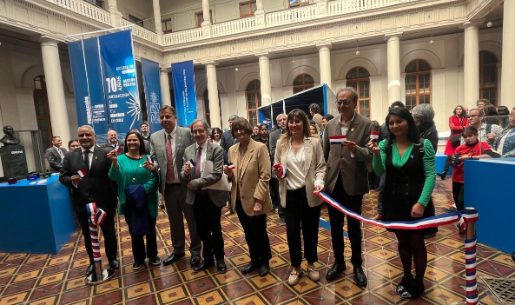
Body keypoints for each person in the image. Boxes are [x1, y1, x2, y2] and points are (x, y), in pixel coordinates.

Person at [369, 107, 437, 300]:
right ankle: (406, 276)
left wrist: (422, 203)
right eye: (391, 122)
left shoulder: (423, 145)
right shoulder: (385, 145)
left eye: (399, 121)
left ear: (409, 121)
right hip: (395, 202)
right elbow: (380, 171)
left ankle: (419, 282)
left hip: (417, 201)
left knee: (417, 242)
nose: (395, 125)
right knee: (402, 242)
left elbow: (430, 175)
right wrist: (375, 154)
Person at [323, 87, 373, 285]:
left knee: (353, 226)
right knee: (335, 226)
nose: (342, 105)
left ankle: (357, 264)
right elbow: (325, 154)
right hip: (334, 183)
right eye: (339, 102)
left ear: (355, 103)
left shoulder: (366, 124)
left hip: (354, 183)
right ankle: (339, 262)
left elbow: (371, 154)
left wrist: (357, 149)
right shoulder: (331, 125)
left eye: (346, 102)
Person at [273, 109, 326, 286]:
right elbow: (277, 168)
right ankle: (296, 266)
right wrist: (279, 172)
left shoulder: (314, 143)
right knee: (293, 232)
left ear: (304, 122)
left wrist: (319, 181)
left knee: (311, 231)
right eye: (291, 121)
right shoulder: (281, 144)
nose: (293, 124)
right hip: (290, 194)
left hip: (309, 193)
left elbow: (321, 167)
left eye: (297, 121)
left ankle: (311, 263)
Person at [59, 125, 119, 276]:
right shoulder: (70, 156)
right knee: (87, 234)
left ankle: (112, 258)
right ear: (78, 138)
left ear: (95, 137)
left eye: (88, 135)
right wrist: (71, 180)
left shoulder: (105, 153)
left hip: (105, 202)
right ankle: (93, 262)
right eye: (81, 136)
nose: (84, 138)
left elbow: (113, 177)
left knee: (109, 232)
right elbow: (62, 176)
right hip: (82, 202)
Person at [149, 105, 201, 267]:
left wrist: (190, 166)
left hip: (186, 186)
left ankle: (195, 251)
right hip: (168, 188)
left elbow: (196, 152)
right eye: (162, 117)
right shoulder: (154, 137)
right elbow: (153, 157)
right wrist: (154, 166)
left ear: (174, 117)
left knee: (192, 220)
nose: (164, 120)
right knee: (174, 221)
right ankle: (178, 250)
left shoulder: (186, 133)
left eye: (167, 117)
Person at [224, 117, 273, 277]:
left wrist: (259, 201)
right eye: (236, 130)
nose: (239, 132)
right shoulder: (232, 150)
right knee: (248, 232)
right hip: (238, 199)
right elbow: (233, 177)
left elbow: (265, 176)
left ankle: (264, 261)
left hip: (255, 199)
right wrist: (229, 175)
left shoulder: (260, 148)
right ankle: (254, 259)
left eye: (241, 129)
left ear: (248, 129)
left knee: (259, 232)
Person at [181, 119, 229, 273]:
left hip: (212, 196)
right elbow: (183, 173)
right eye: (195, 131)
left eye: (201, 131)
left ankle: (220, 259)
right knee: (201, 229)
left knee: (215, 229)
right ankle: (208, 259)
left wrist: (195, 183)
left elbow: (216, 174)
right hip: (196, 197)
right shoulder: (188, 151)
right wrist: (186, 173)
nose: (198, 134)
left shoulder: (216, 150)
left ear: (207, 132)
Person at [108, 131, 160, 269]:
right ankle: (138, 258)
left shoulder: (149, 158)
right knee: (134, 230)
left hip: (148, 200)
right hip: (130, 202)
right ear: (125, 143)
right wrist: (113, 161)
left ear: (140, 142)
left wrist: (141, 191)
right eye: (129, 140)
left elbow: (155, 179)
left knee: (150, 229)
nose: (132, 142)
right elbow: (115, 177)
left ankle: (153, 255)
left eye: (134, 140)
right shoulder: (119, 159)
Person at [451, 127, 495, 218]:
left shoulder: (482, 145)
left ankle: (468, 222)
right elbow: (453, 163)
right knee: (457, 202)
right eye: (465, 137)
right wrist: (453, 160)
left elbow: (489, 156)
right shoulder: (459, 148)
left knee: (462, 201)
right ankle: (462, 221)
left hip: (470, 179)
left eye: (470, 136)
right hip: (457, 178)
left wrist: (469, 157)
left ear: (476, 135)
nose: (468, 138)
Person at [374, 101, 405, 220]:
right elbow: (381, 142)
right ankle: (381, 210)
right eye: (392, 122)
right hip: (387, 161)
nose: (395, 126)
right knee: (383, 185)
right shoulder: (383, 127)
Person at [438, 105, 469, 180]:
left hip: (461, 139)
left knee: (459, 156)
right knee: (449, 156)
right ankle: (444, 172)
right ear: (455, 110)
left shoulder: (465, 119)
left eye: (460, 109)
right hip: (453, 139)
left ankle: (458, 173)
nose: (459, 110)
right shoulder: (451, 118)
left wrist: (459, 127)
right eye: (457, 109)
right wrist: (463, 127)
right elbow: (452, 127)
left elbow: (467, 127)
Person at [269, 113, 288, 225]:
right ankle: (282, 216)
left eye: (284, 119)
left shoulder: (292, 132)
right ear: (277, 123)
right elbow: (272, 151)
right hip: (279, 167)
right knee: (281, 193)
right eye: (280, 120)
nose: (282, 122)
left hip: (293, 168)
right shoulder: (274, 135)